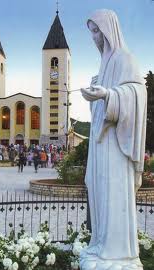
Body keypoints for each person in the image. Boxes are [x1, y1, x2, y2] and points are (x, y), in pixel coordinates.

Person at [80, 10, 147, 270]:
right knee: (98, 190)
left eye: (96, 31)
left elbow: (136, 93)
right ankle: (101, 242)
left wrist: (108, 93)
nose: (94, 37)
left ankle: (118, 252)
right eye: (91, 32)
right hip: (101, 143)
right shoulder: (105, 63)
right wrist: (97, 94)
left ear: (109, 30)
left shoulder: (124, 58)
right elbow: (104, 104)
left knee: (112, 194)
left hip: (115, 146)